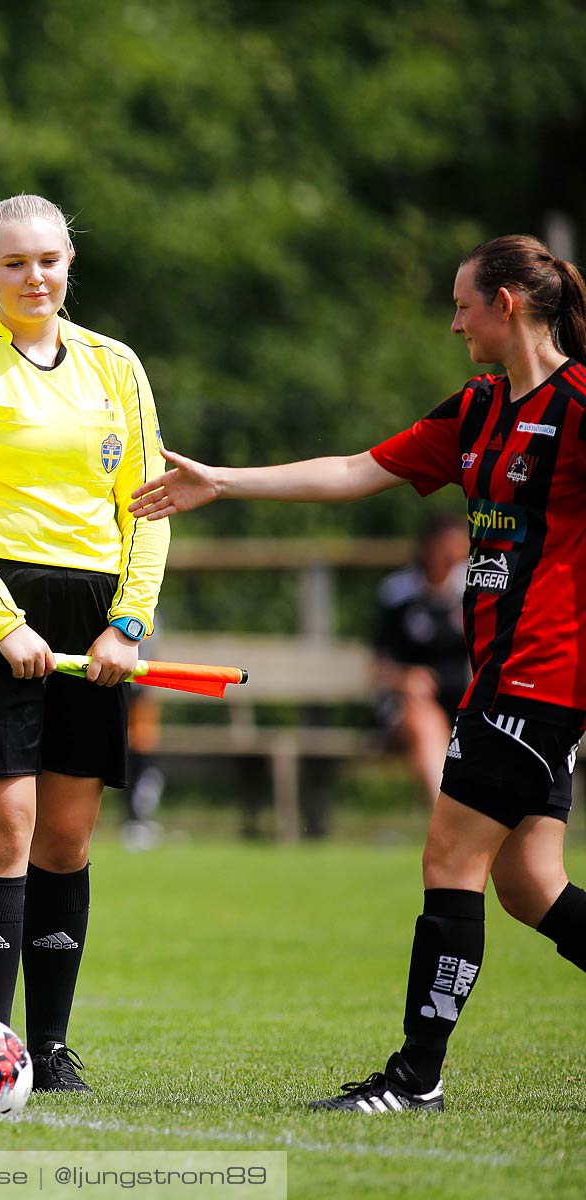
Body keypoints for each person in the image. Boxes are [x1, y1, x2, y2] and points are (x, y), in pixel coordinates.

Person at [129, 234, 586, 1113]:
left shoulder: (578, 406)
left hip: (541, 676)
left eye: (462, 304)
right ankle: (419, 1075)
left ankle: (416, 1077)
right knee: (532, 885)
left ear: (508, 305)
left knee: (450, 856)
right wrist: (220, 481)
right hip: (504, 675)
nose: (452, 322)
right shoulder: (480, 408)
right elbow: (355, 469)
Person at [0, 194, 171, 1094]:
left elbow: (149, 506)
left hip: (93, 610)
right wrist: (2, 622)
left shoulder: (117, 365)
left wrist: (128, 623)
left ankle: (49, 1047)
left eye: (49, 260)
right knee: (5, 828)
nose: (35, 278)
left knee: (66, 835)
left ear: (69, 265)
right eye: (14, 264)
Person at [373, 514, 472, 808]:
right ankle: (443, 815)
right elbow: (376, 668)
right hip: (406, 708)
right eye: (448, 552)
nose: (453, 560)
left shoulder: (474, 591)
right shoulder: (398, 593)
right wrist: (405, 679)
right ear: (429, 548)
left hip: (464, 707)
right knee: (425, 721)